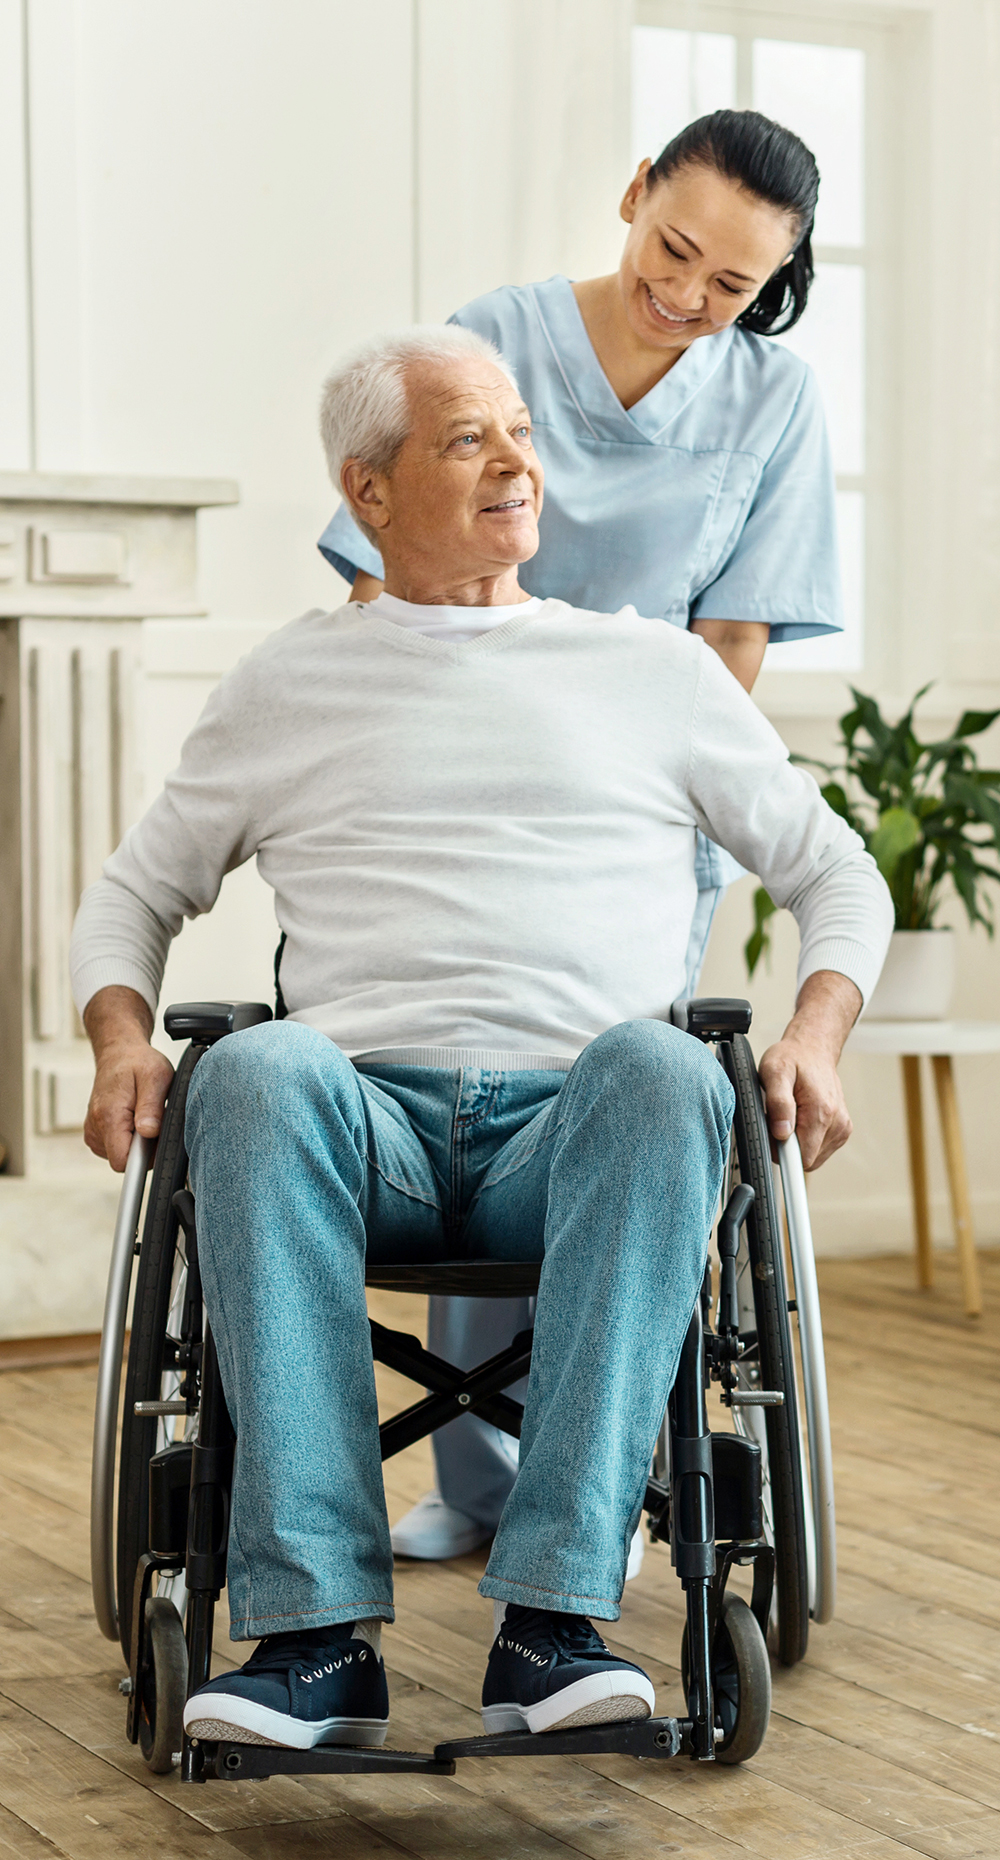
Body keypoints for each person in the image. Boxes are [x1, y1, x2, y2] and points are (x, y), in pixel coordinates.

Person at [73, 329, 890, 1750]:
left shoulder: (650, 673)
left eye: (521, 433)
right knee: (254, 1069)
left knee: (661, 1063)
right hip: (358, 1125)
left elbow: (839, 877)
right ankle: (317, 1644)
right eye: (470, 440)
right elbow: (133, 896)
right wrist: (122, 1038)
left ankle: (555, 1630)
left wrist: (817, 1035)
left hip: (580, 1115)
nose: (519, 463)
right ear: (368, 491)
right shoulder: (286, 684)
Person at [316, 109, 842, 1565]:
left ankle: (582, 1464)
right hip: (449, 780)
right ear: (632, 197)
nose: (688, 293)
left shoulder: (773, 401)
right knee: (455, 1071)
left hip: (636, 804)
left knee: (598, 1095)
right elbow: (382, 577)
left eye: (729, 284)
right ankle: (475, 1475)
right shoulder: (493, 340)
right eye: (673, 248)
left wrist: (637, 768)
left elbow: (731, 635)